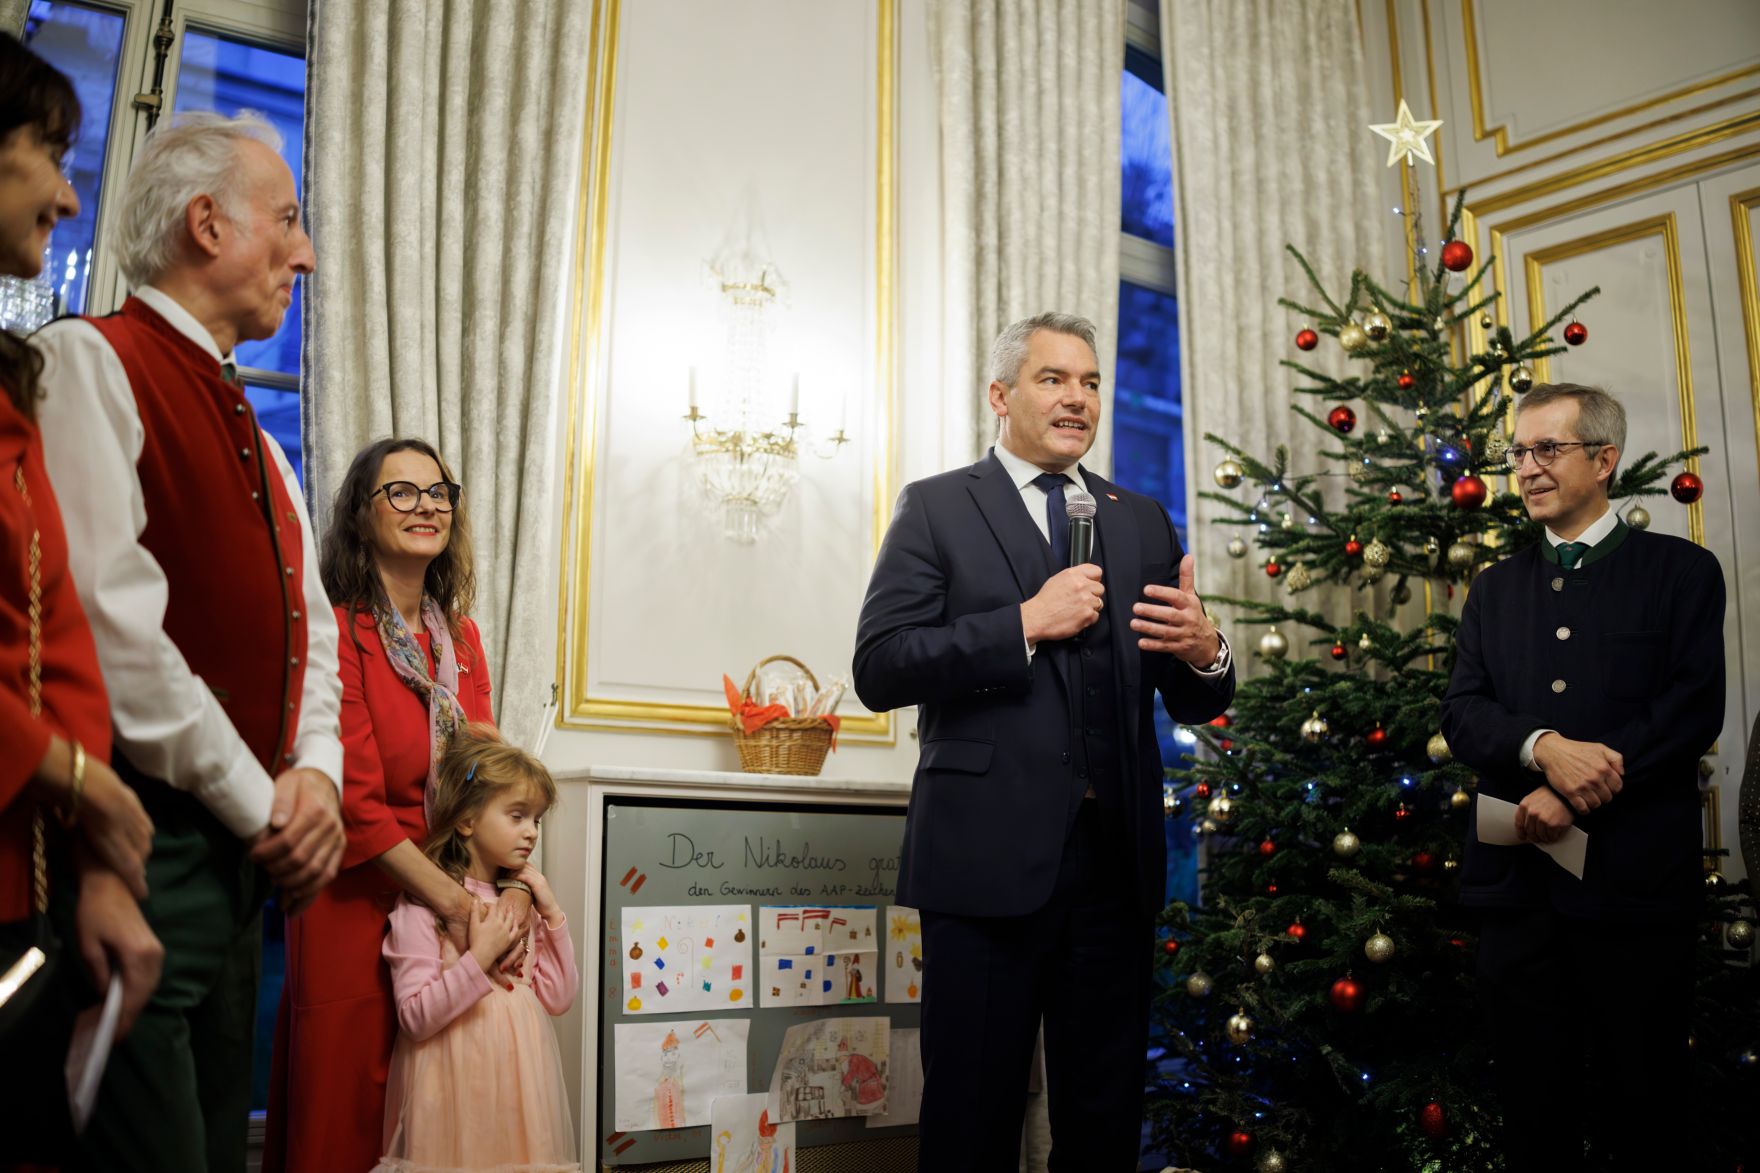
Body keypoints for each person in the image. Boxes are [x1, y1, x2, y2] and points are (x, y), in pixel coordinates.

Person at [32, 110, 345, 1172]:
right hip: (141, 843)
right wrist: (269, 805)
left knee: (216, 1148)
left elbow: (317, 629)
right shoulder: (89, 361)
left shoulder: (257, 432)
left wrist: (321, 778)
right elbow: (110, 627)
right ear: (206, 225)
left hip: (242, 862)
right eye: (288, 221)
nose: (304, 252)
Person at [853, 312, 1235, 1171]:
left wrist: (1205, 648)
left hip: (1113, 870)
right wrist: (1022, 623)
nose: (1077, 398)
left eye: (1091, 382)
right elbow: (880, 666)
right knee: (971, 1116)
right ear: (1001, 395)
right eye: (1054, 379)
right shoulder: (939, 506)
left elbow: (1192, 694)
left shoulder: (1140, 520)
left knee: (1102, 1122)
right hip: (985, 867)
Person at [1440, 382, 1725, 1172]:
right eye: (1518, 453)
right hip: (1518, 896)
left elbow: (1691, 712)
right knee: (1535, 1117)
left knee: (1648, 1110)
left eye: (1546, 449)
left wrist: (1570, 787)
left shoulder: (1683, 572)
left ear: (1604, 459)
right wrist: (1540, 746)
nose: (1526, 469)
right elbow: (1463, 713)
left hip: (1636, 892)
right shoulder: (1494, 590)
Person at [266, 437, 525, 1173]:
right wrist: (457, 901)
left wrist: (509, 889)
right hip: (355, 904)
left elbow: (488, 778)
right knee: (346, 1120)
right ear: (360, 514)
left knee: (437, 1121)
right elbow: (357, 804)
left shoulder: (463, 640)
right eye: (402, 492)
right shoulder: (336, 631)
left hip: (449, 914)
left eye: (438, 491)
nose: (426, 506)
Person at [0, 33, 161, 1159]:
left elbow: (57, 633)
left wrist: (98, 858)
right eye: (46, 151)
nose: (67, 191)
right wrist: (76, 780)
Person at [371, 729, 579, 1173]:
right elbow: (414, 1017)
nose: (531, 833)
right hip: (449, 1092)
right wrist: (478, 959)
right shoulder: (424, 902)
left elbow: (558, 998)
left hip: (517, 1093)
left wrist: (553, 913)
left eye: (537, 820)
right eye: (518, 816)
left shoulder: (518, 904)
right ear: (466, 820)